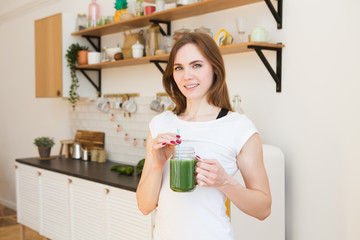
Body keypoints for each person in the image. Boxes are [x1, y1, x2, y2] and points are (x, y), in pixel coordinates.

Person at [136, 32, 271, 240]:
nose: (186, 76)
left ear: (214, 69)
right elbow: (145, 206)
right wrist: (157, 165)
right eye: (179, 68)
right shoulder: (160, 124)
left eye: (196, 65)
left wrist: (224, 181)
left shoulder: (239, 128)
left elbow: (263, 209)